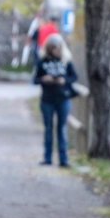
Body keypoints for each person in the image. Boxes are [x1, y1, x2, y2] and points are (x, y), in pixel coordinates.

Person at [33, 34, 78, 167]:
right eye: (53, 48)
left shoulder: (66, 62)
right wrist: (43, 79)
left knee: (62, 128)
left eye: (57, 48)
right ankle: (47, 157)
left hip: (63, 98)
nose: (55, 50)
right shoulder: (43, 62)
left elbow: (74, 77)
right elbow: (35, 79)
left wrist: (64, 80)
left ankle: (64, 159)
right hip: (47, 99)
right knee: (48, 129)